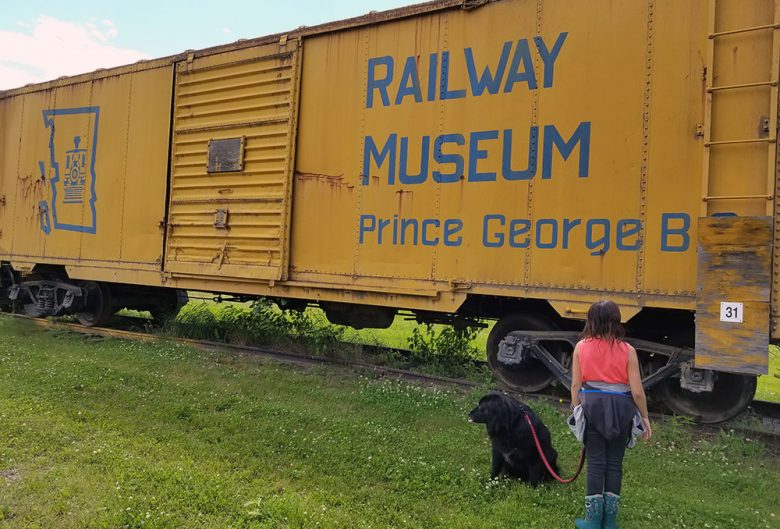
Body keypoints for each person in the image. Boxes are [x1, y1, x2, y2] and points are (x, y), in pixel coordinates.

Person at [570, 300, 652, 529]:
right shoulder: (628, 351)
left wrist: (577, 411)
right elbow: (636, 391)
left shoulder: (581, 347)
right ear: (616, 321)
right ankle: (610, 521)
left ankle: (592, 520)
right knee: (615, 464)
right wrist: (644, 418)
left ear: (591, 320)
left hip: (592, 409)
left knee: (596, 462)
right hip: (622, 411)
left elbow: (576, 385)